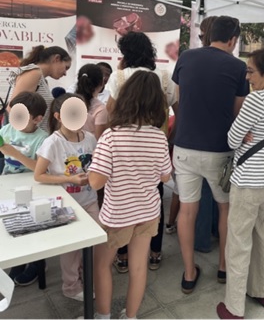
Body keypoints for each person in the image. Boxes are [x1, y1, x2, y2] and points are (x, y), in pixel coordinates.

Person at [172, 15, 248, 294]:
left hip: (184, 147)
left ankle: (189, 272)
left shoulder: (185, 58)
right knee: (225, 207)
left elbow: (180, 100)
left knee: (187, 210)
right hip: (221, 150)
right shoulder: (238, 67)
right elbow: (238, 113)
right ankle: (223, 267)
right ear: (232, 40)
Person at [216, 47, 264, 319]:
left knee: (238, 242)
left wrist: (245, 132)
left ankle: (234, 306)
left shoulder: (256, 100)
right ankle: (262, 290)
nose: (247, 77)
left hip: (249, 180)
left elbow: (231, 140)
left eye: (251, 71)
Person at [88, 71, 172, 320]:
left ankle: (103, 316)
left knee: (101, 264)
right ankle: (131, 316)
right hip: (147, 213)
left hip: (117, 215)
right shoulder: (159, 137)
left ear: (125, 98)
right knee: (138, 268)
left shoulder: (111, 137)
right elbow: (165, 177)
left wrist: (93, 169)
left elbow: (95, 182)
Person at [105, 31, 176, 272]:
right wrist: (169, 137)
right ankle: (154, 253)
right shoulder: (166, 77)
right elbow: (180, 110)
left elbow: (110, 113)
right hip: (156, 144)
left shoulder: (119, 76)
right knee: (155, 197)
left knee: (122, 199)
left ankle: (123, 255)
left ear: (126, 53)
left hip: (124, 148)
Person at [34, 93, 98, 302]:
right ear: (58, 116)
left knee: (91, 244)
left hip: (89, 200)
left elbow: (96, 165)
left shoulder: (90, 138)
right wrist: (69, 179)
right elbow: (39, 174)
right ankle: (71, 286)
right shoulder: (52, 142)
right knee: (70, 251)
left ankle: (85, 278)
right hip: (65, 205)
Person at [3, 92, 48, 286]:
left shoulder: (43, 139)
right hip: (8, 185)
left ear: (37, 119)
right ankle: (18, 262)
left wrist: (13, 153)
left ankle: (37, 263)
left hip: (34, 188)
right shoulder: (6, 130)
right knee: (13, 225)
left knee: (34, 227)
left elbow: (40, 169)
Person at [7, 45, 71, 131]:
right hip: (29, 141)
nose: (65, 73)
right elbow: (13, 109)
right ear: (57, 59)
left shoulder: (41, 79)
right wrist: (33, 136)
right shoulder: (34, 73)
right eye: (66, 67)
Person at [75, 64, 108, 139]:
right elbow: (99, 139)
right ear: (102, 83)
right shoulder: (101, 109)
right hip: (90, 149)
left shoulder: (67, 102)